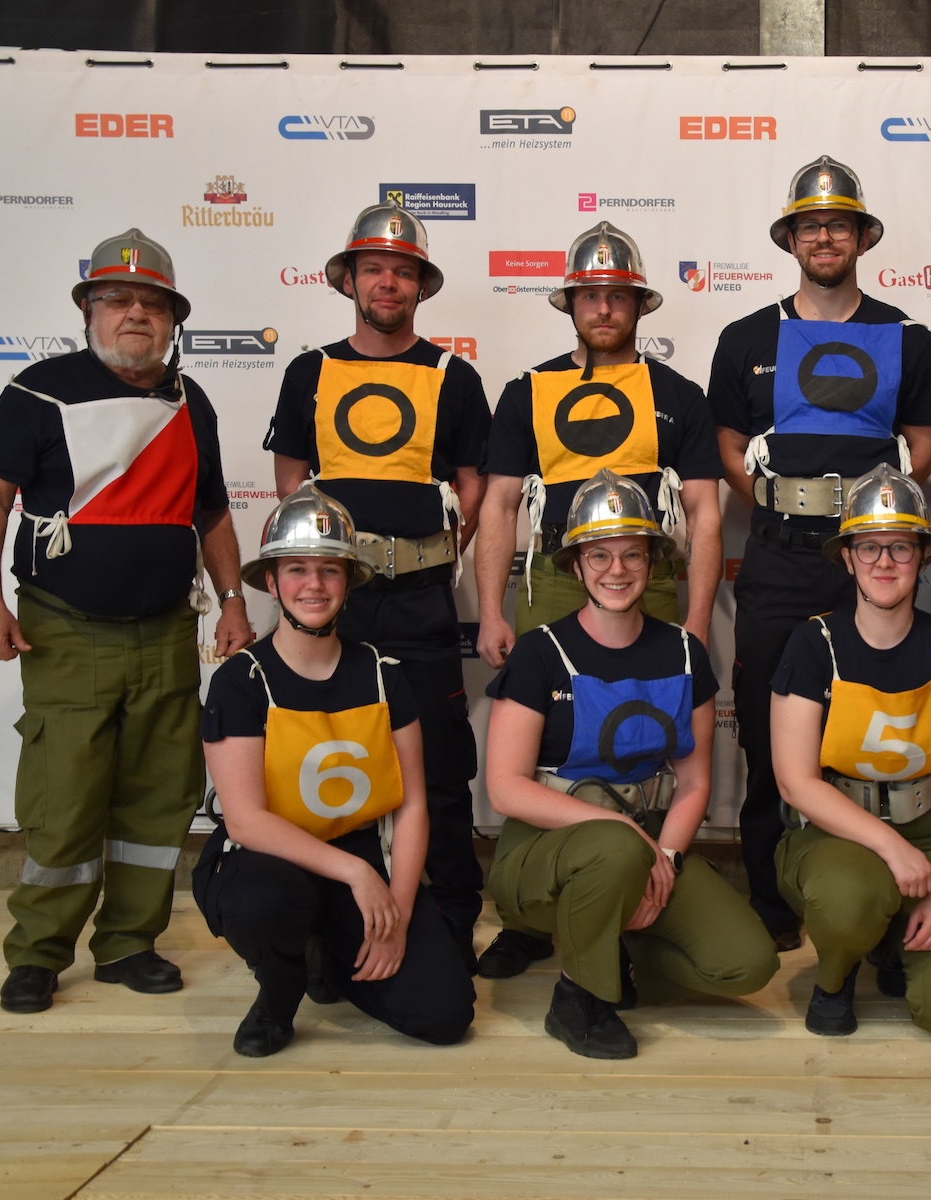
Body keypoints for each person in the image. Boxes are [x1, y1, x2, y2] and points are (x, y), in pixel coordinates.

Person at [0, 228, 250, 1014]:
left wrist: (233, 600)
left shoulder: (191, 401)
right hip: (64, 628)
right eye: (117, 299)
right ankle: (38, 952)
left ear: (173, 319)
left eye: (152, 303)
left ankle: (129, 942)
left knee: (159, 796)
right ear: (88, 309)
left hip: (166, 629)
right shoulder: (38, 390)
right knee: (65, 795)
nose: (135, 314)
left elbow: (212, 512)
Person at [708, 156, 931, 951]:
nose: (824, 237)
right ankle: (772, 901)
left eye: (838, 225)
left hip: (873, 563)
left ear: (861, 238)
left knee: (868, 719)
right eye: (810, 226)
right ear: (791, 239)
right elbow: (729, 448)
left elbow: (925, 444)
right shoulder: (746, 337)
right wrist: (784, 503)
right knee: (766, 728)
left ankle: (870, 888)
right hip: (779, 559)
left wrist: (870, 530)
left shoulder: (906, 336)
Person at [473, 223, 724, 980]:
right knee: (549, 746)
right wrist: (491, 609)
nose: (604, 308)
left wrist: (698, 620)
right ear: (571, 304)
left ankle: (639, 882)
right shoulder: (528, 391)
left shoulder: (678, 396)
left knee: (641, 738)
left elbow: (704, 513)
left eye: (617, 295)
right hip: (555, 574)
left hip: (648, 575)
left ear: (639, 304)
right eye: (590, 295)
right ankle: (532, 913)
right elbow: (499, 504)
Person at [481, 471, 778, 1060]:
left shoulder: (685, 653)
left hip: (646, 845)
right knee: (614, 848)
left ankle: (618, 942)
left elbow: (694, 782)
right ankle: (578, 999)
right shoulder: (541, 652)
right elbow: (506, 789)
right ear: (575, 566)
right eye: (599, 555)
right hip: (543, 853)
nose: (616, 570)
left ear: (653, 562)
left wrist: (665, 857)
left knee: (746, 963)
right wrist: (622, 831)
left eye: (632, 555)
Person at [265, 203, 493, 969]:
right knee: (327, 755)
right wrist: (326, 567)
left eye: (402, 271)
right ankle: (327, 917)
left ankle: (453, 916)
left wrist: (428, 554)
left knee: (440, 766)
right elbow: (291, 483)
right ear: (348, 280)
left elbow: (473, 485)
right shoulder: (310, 372)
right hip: (337, 603)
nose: (387, 282)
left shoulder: (453, 376)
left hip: (422, 601)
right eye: (373, 269)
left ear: (421, 286)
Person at [193, 486, 476, 1056]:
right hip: (272, 862)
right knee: (267, 902)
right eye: (296, 569)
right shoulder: (241, 682)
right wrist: (355, 873)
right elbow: (245, 821)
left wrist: (395, 912)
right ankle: (279, 993)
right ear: (271, 581)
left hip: (363, 858)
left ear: (349, 581)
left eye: (329, 570)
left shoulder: (384, 675)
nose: (314, 585)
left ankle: (331, 954)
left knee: (445, 1014)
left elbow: (412, 805)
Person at [771, 466, 931, 1041]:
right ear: (848, 558)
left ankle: (899, 939)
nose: (884, 562)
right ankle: (836, 975)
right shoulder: (813, 644)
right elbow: (796, 782)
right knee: (850, 897)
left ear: (922, 556)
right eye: (868, 547)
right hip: (837, 832)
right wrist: (891, 845)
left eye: (900, 547)